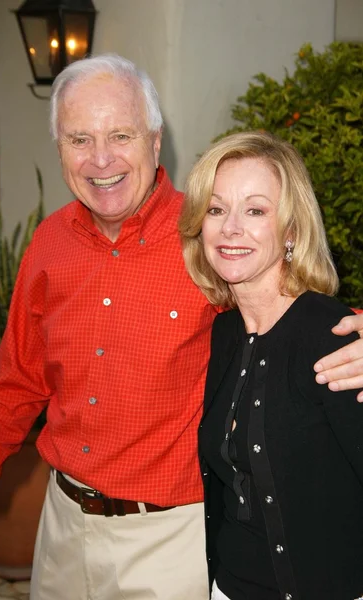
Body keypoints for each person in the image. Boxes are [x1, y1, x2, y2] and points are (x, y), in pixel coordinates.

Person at [0, 56, 362, 600]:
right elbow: (15, 384)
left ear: (155, 141)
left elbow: (293, 306)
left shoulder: (210, 241)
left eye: (120, 135)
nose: (100, 159)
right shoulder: (48, 245)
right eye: (79, 138)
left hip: (169, 542)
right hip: (60, 528)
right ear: (59, 147)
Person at [180, 130, 363, 600]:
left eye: (256, 210)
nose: (230, 228)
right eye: (216, 210)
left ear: (291, 232)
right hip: (230, 588)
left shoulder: (333, 335)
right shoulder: (224, 333)